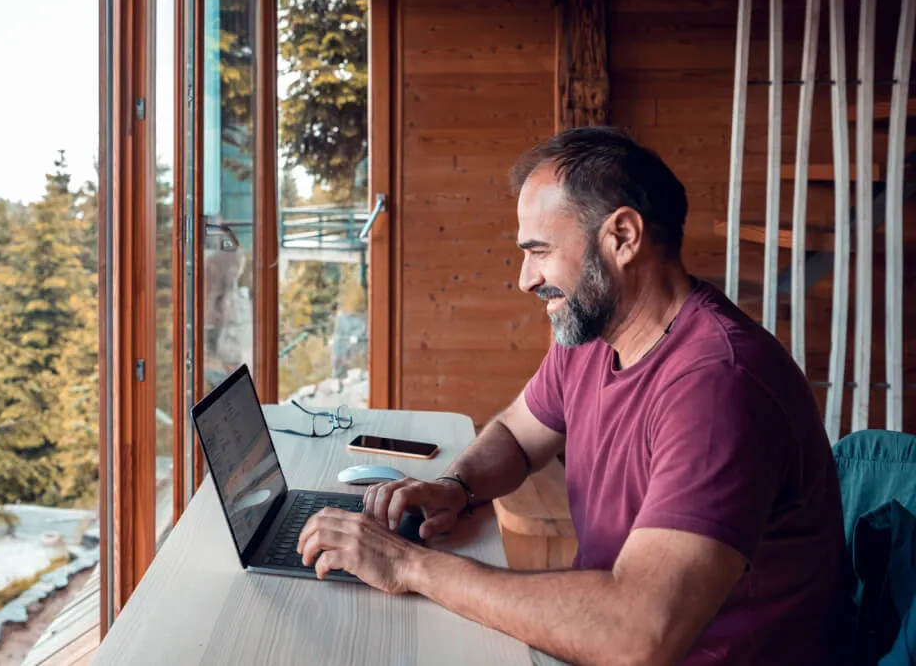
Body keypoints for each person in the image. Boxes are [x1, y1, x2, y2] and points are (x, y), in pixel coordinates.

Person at [296, 127, 845, 665]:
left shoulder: (718, 385)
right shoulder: (594, 334)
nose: (525, 279)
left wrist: (409, 566)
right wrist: (455, 487)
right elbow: (515, 434)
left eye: (539, 252)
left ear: (623, 237)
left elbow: (637, 636)